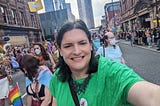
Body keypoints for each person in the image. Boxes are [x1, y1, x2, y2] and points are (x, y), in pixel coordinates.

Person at [49, 20, 160, 106]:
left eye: (82, 43)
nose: (77, 51)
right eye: (68, 46)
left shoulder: (112, 73)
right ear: (60, 50)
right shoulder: (57, 78)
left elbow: (152, 97)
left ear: (90, 45)